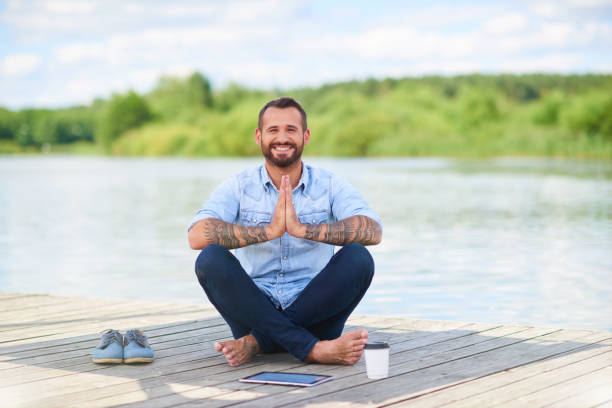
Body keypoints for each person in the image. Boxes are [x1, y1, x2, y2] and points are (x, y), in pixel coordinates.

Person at [188, 97, 382, 367]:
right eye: (273, 130)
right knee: (209, 259)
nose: (282, 138)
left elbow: (373, 231)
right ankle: (313, 350)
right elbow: (196, 236)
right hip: (254, 310)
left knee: (359, 258)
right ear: (259, 136)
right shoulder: (239, 186)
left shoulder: (329, 184)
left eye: (291, 130)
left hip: (318, 314)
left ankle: (256, 343)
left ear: (305, 136)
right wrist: (268, 231)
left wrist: (304, 229)